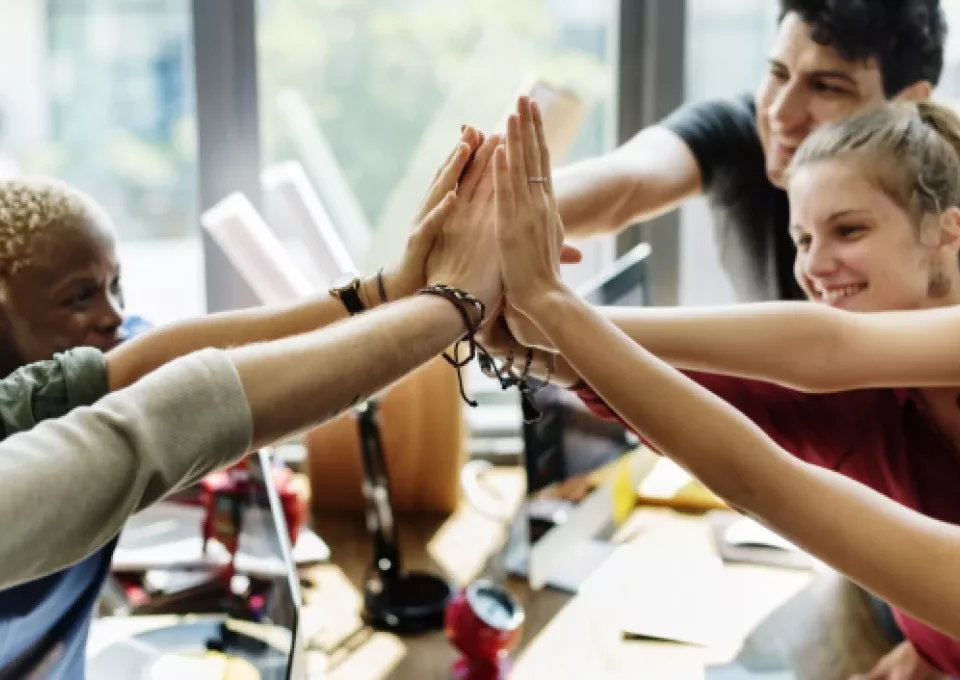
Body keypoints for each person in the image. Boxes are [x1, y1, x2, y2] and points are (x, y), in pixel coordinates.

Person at [0, 126, 516, 679]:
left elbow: (158, 362)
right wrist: (450, 308)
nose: (112, 315)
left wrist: (391, 290)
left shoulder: (53, 380)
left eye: (115, 286)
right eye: (79, 297)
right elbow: (178, 414)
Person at [492, 94, 960, 670]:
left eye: (849, 230)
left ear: (945, 231)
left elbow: (825, 354)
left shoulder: (853, 366)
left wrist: (554, 310)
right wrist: (522, 327)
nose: (814, 266)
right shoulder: (862, 405)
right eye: (804, 241)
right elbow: (669, 384)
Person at [555, 0, 946, 303]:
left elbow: (829, 347)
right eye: (777, 74)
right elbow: (628, 180)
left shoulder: (939, 215)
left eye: (827, 87)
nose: (780, 113)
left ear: (910, 104)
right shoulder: (744, 132)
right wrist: (506, 207)